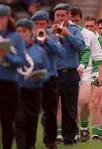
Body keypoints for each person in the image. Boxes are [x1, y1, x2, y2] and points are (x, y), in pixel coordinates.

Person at [31, 9, 65, 149]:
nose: (39, 26)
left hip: (49, 79)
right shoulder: (28, 37)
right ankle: (30, 143)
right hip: (32, 79)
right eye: (37, 24)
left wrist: (47, 40)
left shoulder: (54, 36)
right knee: (31, 114)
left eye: (42, 23)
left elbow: (61, 53)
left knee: (50, 113)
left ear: (47, 23)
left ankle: (50, 141)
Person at [52, 3, 85, 145]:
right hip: (54, 74)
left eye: (62, 15)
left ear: (68, 16)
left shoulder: (75, 30)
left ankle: (70, 138)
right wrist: (51, 36)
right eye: (57, 15)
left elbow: (81, 47)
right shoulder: (49, 31)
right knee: (51, 107)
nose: (60, 18)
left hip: (70, 73)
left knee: (69, 108)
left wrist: (67, 34)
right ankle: (51, 137)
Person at [70, 7, 102, 142]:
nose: (73, 22)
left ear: (80, 19)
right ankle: (71, 131)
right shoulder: (61, 31)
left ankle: (84, 127)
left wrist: (101, 75)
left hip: (87, 71)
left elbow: (98, 55)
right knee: (68, 104)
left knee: (84, 102)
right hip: (67, 70)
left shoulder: (87, 34)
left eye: (76, 20)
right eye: (71, 19)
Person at [14, 18, 49, 149]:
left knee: (31, 122)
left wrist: (39, 76)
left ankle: (30, 145)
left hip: (34, 92)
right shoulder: (11, 50)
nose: (21, 34)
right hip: (17, 92)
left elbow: (47, 72)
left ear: (30, 32)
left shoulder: (39, 51)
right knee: (19, 121)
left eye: (23, 31)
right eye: (18, 31)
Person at [0, 4, 26, 149]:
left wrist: (6, 55)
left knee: (7, 122)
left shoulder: (15, 37)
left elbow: (21, 61)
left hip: (9, 84)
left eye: (2, 18)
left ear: (8, 18)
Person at [84, 16, 102, 141]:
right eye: (87, 26)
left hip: (97, 73)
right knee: (83, 104)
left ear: (95, 26)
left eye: (91, 26)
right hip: (83, 73)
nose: (89, 28)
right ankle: (83, 129)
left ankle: (96, 132)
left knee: (96, 103)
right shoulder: (79, 38)